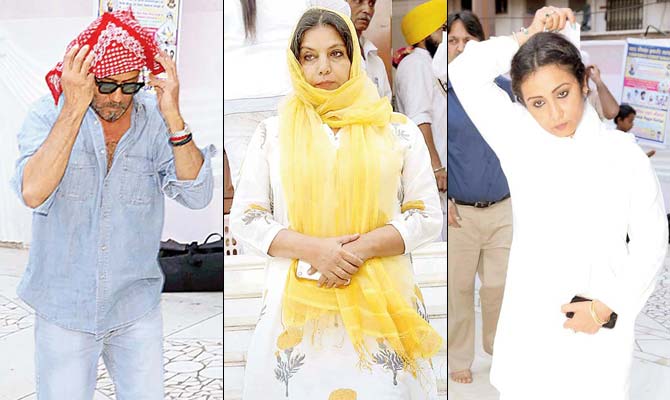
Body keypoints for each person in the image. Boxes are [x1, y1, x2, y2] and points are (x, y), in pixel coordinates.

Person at [444, 6, 667, 399]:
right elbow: (463, 72)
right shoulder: (520, 140)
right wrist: (525, 36)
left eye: (562, 93)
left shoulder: (623, 154)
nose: (554, 113)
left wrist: (605, 308)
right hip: (531, 332)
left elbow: (651, 244)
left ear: (583, 81)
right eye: (537, 102)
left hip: (599, 332)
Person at [230, 7, 443, 399]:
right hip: (297, 312)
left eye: (336, 54)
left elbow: (427, 216)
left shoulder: (398, 131)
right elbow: (245, 217)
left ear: (353, 57)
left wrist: (357, 251)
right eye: (310, 57)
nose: (323, 68)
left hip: (382, 309)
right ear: (296, 64)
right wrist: (316, 250)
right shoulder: (272, 134)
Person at [11, 9, 215, 399]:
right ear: (85, 78)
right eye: (106, 86)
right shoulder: (47, 114)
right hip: (64, 309)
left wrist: (173, 115)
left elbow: (196, 194)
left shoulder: (154, 122)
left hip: (134, 307)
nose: (118, 98)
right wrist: (72, 109)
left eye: (129, 86)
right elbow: (33, 191)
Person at [440, 10, 514, 385]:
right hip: (461, 214)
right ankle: (459, 357)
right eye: (454, 40)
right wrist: (446, 194)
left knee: (500, 287)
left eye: (469, 41)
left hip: (502, 206)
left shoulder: (503, 89)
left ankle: (498, 348)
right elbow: (434, 150)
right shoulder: (444, 95)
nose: (461, 47)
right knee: (460, 290)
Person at [224, 0, 351, 191]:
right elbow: (340, 16)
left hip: (235, 103)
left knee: (250, 194)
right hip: (291, 98)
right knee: (303, 190)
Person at [394, 0, 447, 238]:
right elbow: (419, 118)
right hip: (434, 176)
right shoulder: (415, 63)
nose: (445, 36)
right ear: (426, 35)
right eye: (441, 29)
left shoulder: (431, 64)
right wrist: (437, 168)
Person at [345, 0, 392, 99]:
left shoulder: (375, 59)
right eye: (359, 1)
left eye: (371, 4)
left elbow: (387, 104)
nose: (367, 10)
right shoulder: (332, 56)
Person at [580, 52, 619, 121]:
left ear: (588, 71)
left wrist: (598, 81)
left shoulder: (594, 96)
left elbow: (612, 113)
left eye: (580, 70)